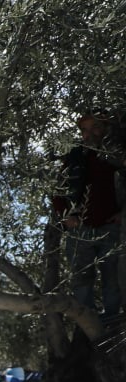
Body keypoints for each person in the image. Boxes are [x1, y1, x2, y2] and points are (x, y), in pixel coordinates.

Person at [53, 112, 123, 318]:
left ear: (105, 129)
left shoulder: (116, 156)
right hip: (79, 228)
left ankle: (111, 320)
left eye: (95, 127)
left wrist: (122, 214)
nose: (90, 133)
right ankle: (87, 322)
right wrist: (66, 217)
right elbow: (58, 191)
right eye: (85, 130)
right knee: (81, 278)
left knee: (113, 278)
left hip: (110, 227)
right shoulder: (75, 157)